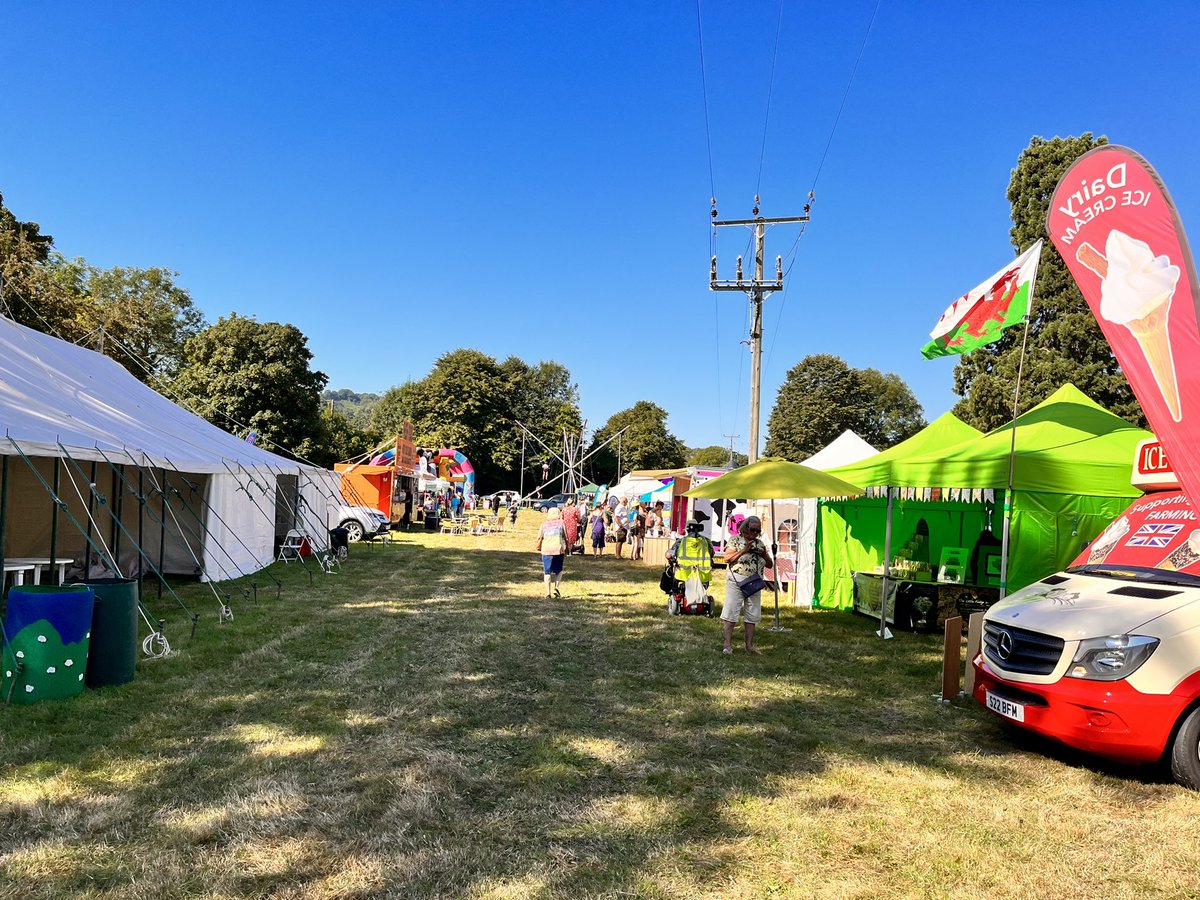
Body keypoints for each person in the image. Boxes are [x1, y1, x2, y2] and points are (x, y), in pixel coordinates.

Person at [722, 515, 772, 654]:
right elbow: (726, 558)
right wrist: (744, 551)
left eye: (758, 531)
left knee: (752, 614)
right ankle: (727, 645)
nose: (755, 533)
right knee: (731, 612)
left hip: (754, 582)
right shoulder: (735, 540)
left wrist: (764, 555)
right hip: (736, 581)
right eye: (753, 530)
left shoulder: (760, 543)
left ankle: (749, 645)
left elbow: (770, 564)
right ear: (745, 529)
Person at [537, 507, 569, 598]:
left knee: (547, 572)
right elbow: (566, 537)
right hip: (558, 549)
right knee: (558, 570)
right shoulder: (561, 523)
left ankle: (548, 593)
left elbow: (539, 537)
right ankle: (557, 588)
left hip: (546, 549)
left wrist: (538, 547)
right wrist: (567, 548)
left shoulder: (544, 524)